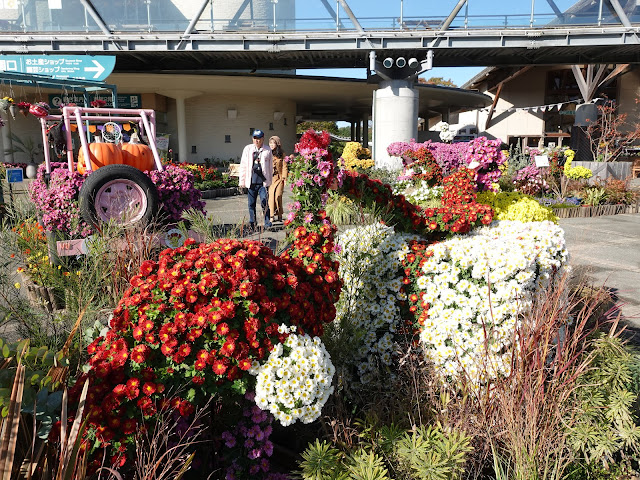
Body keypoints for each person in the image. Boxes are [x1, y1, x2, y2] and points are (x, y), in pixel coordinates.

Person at [239, 129, 273, 230]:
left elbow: (270, 167)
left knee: (264, 201)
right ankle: (252, 222)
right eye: (255, 138)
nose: (257, 141)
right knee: (251, 204)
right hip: (251, 181)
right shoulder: (248, 149)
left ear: (263, 139)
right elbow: (243, 165)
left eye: (259, 138)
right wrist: (242, 181)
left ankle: (267, 222)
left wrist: (269, 181)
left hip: (262, 181)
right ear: (252, 139)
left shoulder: (267, 150)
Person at [267, 136, 288, 223]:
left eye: (273, 143)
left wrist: (284, 178)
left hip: (279, 179)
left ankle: (279, 214)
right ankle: (271, 215)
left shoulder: (282, 153)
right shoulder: (267, 153)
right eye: (270, 143)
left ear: (277, 144)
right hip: (270, 179)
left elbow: (284, 166)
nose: (271, 145)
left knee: (278, 196)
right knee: (271, 196)